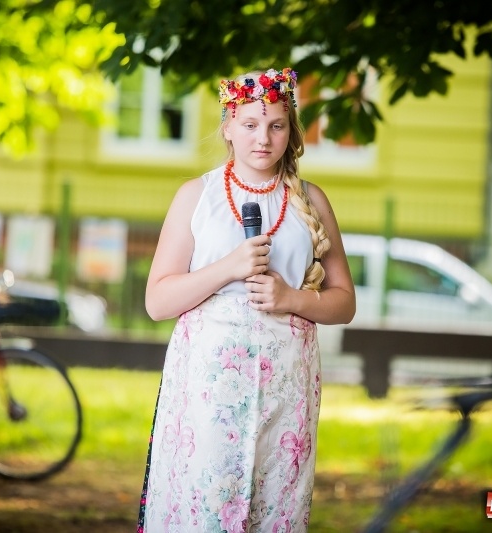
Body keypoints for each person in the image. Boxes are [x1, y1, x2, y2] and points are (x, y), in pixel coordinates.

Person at [137, 67, 355, 532]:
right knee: (207, 505)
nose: (263, 138)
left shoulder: (310, 201)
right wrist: (229, 268)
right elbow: (157, 301)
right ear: (228, 128)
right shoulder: (198, 196)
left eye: (277, 125)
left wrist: (292, 297)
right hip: (210, 388)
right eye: (251, 125)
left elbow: (343, 302)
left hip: (286, 386)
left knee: (275, 506)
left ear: (291, 131)